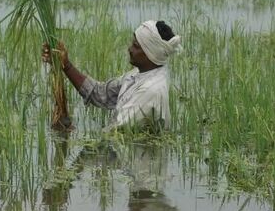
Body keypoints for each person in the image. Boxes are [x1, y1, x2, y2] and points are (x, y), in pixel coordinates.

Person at [43, 20, 182, 131]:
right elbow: (100, 93)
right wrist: (66, 65)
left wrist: (69, 133)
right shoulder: (139, 74)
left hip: (141, 164)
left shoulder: (150, 90)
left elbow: (116, 134)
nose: (130, 49)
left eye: (135, 46)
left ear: (149, 52)